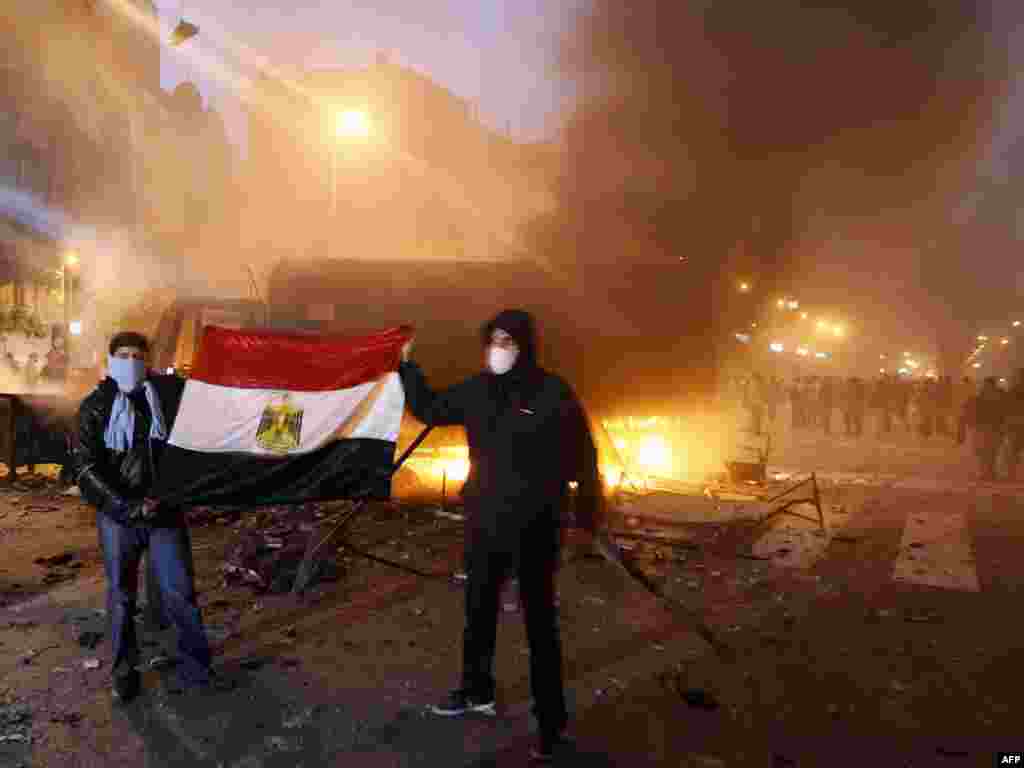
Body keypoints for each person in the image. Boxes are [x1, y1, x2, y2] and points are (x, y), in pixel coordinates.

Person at [398, 310, 605, 762]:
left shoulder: (553, 392)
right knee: (479, 608)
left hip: (537, 525)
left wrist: (588, 514)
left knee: (539, 624)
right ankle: (476, 691)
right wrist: (406, 366)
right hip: (485, 522)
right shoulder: (477, 389)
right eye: (492, 339)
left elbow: (585, 457)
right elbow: (430, 407)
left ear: (525, 344)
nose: (498, 347)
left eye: (507, 340)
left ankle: (551, 725)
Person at [74, 332, 227, 703]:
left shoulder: (167, 397)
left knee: (179, 592)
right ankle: (124, 672)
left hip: (164, 514)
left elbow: (190, 440)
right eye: (123, 355)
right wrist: (128, 507)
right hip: (118, 518)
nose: (130, 362)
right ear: (110, 360)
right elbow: (85, 470)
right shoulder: (94, 406)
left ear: (149, 360)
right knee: (122, 598)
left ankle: (197, 667)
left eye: (137, 356)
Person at [961, 377, 1006, 482]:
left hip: (989, 428)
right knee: (986, 451)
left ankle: (988, 472)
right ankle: (988, 472)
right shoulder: (998, 397)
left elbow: (967, 411)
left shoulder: (981, 397)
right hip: (987, 428)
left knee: (988, 451)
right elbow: (968, 411)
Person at [1006, 369, 1024, 481]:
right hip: (1016, 423)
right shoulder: (1013, 391)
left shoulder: (1013, 391)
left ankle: (1012, 473)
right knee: (1014, 450)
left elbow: (1007, 408)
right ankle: (1012, 473)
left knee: (1014, 450)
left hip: (1016, 423)